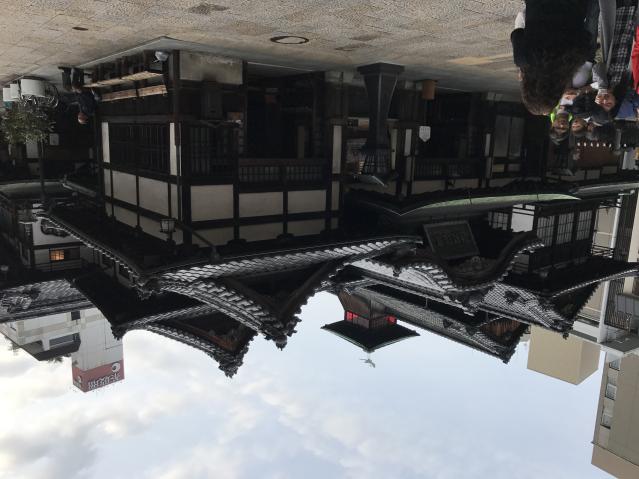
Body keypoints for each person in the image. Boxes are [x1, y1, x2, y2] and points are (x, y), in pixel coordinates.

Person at [512, 0, 597, 115]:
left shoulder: (573, 62)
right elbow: (517, 33)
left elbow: (586, 36)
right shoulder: (522, 59)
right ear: (527, 90)